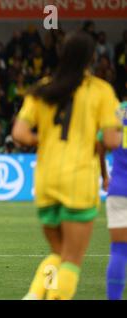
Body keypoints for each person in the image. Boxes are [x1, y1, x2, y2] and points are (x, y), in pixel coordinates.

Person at [12, 31, 122, 300]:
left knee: (58, 254)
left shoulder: (43, 88)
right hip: (79, 180)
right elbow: (111, 139)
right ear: (92, 57)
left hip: (46, 178)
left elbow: (19, 134)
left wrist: (47, 139)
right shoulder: (101, 90)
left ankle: (36, 294)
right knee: (73, 259)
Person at [100, 100, 127, 300]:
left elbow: (100, 144)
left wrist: (105, 175)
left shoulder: (118, 110)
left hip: (119, 188)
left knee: (118, 250)